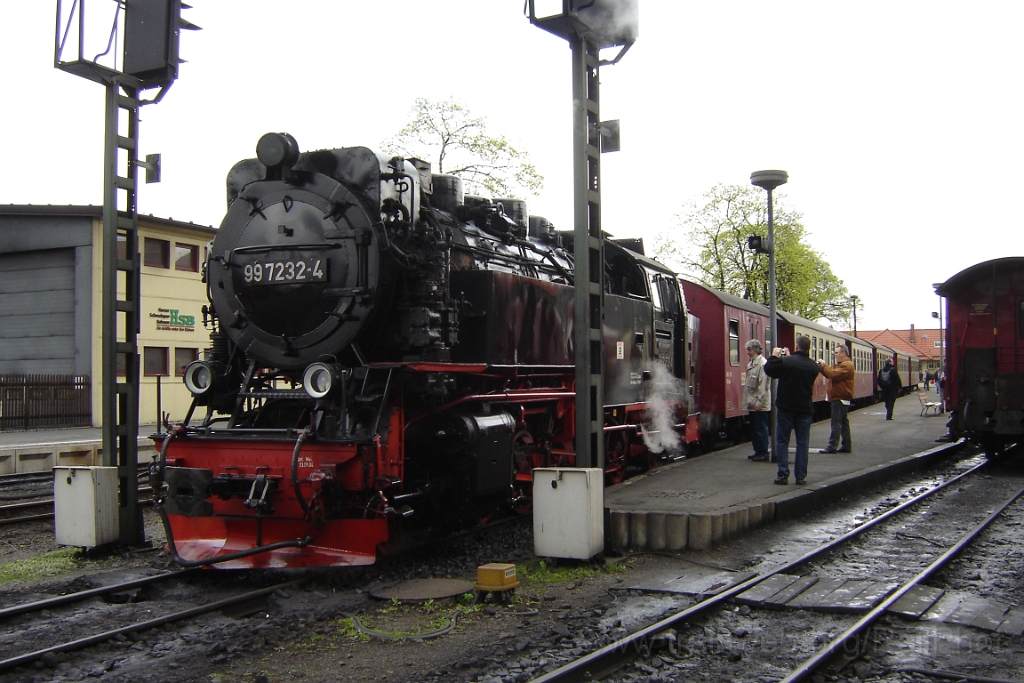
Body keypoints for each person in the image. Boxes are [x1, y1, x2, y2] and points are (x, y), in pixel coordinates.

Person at [764, 335, 820, 485]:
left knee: (782, 441)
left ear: (796, 346)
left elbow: (770, 370)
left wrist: (774, 356)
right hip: (805, 408)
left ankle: (783, 474)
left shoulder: (787, 362)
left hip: (786, 408)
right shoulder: (814, 366)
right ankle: (800, 476)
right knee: (803, 443)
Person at [817, 345, 855, 453]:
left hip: (840, 397)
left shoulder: (846, 365)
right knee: (843, 423)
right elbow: (830, 375)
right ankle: (846, 445)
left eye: (836, 352)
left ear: (843, 353)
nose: (835, 355)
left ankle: (832, 446)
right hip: (840, 397)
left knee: (836, 423)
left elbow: (833, 375)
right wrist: (822, 368)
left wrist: (824, 365)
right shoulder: (842, 365)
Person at [743, 339, 772, 462]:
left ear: (755, 350)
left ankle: (763, 452)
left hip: (759, 403)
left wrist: (759, 402)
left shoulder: (762, 364)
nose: (747, 352)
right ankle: (758, 451)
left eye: (749, 350)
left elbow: (763, 385)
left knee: (761, 428)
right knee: (754, 428)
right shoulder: (752, 363)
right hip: (752, 402)